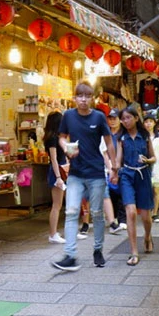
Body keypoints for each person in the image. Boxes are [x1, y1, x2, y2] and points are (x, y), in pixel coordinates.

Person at [52, 82, 116, 271]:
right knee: (71, 212)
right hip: (75, 174)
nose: (83, 100)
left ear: (93, 98)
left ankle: (98, 250)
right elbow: (61, 136)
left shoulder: (99, 116)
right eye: (80, 96)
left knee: (97, 213)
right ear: (74, 98)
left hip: (96, 172)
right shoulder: (68, 116)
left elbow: (109, 143)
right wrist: (65, 147)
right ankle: (70, 256)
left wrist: (114, 168)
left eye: (87, 96)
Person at [115, 107, 155, 266]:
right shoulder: (121, 138)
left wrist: (147, 160)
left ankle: (147, 236)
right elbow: (118, 159)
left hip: (143, 175)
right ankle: (134, 252)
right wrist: (115, 171)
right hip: (127, 175)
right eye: (123, 119)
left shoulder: (145, 136)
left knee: (146, 216)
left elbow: (154, 157)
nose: (125, 121)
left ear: (136, 118)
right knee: (130, 212)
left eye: (128, 118)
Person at [44, 112, 68, 244]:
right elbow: (53, 159)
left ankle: (54, 233)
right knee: (57, 204)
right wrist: (58, 177)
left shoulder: (54, 137)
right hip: (57, 172)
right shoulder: (53, 138)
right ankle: (52, 234)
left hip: (59, 171)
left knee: (59, 204)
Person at [102, 109, 127, 234]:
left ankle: (123, 219)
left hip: (123, 167)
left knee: (123, 192)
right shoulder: (105, 134)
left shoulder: (123, 134)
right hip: (108, 168)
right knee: (111, 193)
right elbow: (104, 151)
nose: (112, 121)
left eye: (114, 118)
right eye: (110, 118)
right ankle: (115, 218)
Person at [143, 115, 159, 223]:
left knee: (157, 189)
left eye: (150, 121)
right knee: (147, 189)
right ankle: (148, 210)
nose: (148, 124)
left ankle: (155, 213)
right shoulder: (141, 136)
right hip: (145, 165)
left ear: (154, 123)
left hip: (158, 165)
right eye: (146, 122)